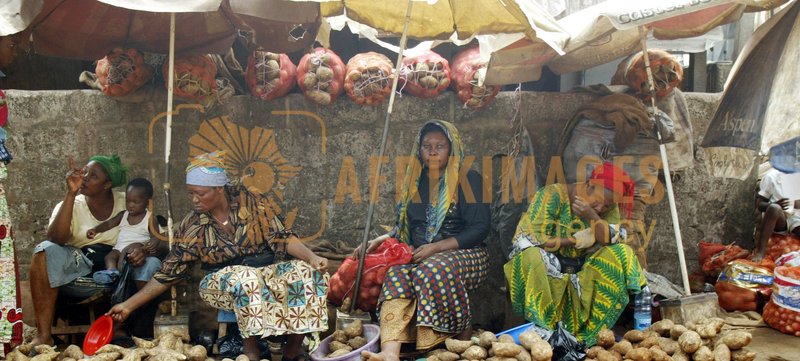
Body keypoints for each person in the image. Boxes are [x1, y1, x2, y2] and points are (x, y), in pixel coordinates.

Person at [108, 151, 329, 361]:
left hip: (263, 273)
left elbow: (283, 237)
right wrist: (128, 306)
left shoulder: (252, 202)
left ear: (219, 188)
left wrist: (311, 258)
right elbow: (168, 273)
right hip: (219, 282)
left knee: (307, 273)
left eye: (200, 193)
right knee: (247, 278)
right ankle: (250, 350)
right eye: (191, 193)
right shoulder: (194, 225)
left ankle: (293, 349)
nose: (194, 199)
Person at [361, 120, 491, 361]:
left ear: (452, 149)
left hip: (467, 253)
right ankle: (390, 351)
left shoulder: (468, 179)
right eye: (426, 146)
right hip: (422, 254)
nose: (432, 152)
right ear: (418, 149)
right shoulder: (415, 182)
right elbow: (406, 225)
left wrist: (437, 247)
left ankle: (458, 336)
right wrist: (381, 239)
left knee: (432, 269)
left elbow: (480, 228)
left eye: (439, 146)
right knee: (396, 274)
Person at [504, 162, 646, 346]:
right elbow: (527, 240)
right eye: (599, 201)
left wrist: (592, 216)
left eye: (607, 206)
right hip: (546, 273)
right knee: (530, 256)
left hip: (582, 274)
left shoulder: (606, 207)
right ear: (589, 184)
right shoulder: (552, 195)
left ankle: (589, 337)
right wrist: (573, 240)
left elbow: (610, 238)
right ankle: (545, 334)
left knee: (621, 252)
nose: (601, 208)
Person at [29, 155, 159, 346]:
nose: (85, 178)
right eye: (85, 172)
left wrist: (144, 250)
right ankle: (43, 336)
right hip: (80, 264)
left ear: (107, 184)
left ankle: (140, 332)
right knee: (44, 250)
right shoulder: (72, 204)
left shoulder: (128, 201)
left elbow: (157, 235)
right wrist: (71, 194)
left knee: (153, 263)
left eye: (93, 176)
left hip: (123, 263)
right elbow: (55, 239)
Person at [89, 178, 162, 288]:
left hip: (135, 250)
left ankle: (121, 277)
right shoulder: (123, 215)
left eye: (135, 202)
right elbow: (108, 224)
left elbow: (156, 235)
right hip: (118, 249)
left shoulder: (150, 218)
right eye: (128, 201)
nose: (130, 205)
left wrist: (153, 243)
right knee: (109, 257)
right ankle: (112, 272)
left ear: (147, 202)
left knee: (131, 250)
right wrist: (96, 229)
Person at [753, 166, 800, 260]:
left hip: (795, 218)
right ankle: (760, 252)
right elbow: (760, 205)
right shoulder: (771, 177)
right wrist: (775, 203)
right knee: (774, 208)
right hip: (778, 219)